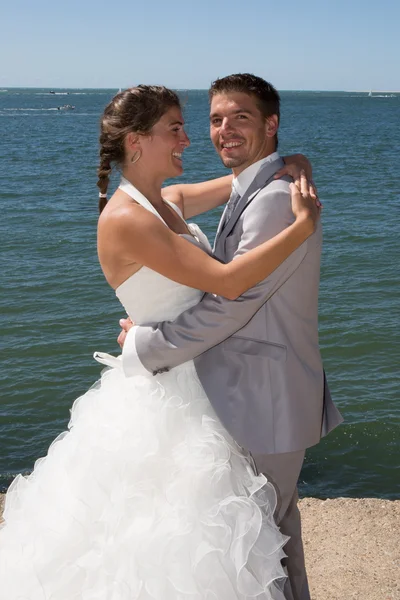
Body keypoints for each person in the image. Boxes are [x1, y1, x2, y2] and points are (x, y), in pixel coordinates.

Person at [0, 83, 319, 600]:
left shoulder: (165, 200)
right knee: (176, 540)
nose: (188, 140)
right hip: (175, 391)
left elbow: (240, 185)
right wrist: (301, 228)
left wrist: (292, 161)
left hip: (202, 375)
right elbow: (232, 283)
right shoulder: (127, 220)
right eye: (174, 128)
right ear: (136, 141)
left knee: (235, 535)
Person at [118, 75, 344, 600]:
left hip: (262, 395)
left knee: (264, 541)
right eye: (215, 119)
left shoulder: (270, 201)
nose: (223, 130)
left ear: (271, 124)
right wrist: (296, 159)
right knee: (272, 538)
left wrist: (145, 347)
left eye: (239, 117)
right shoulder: (253, 187)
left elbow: (233, 304)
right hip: (257, 391)